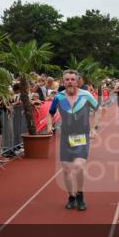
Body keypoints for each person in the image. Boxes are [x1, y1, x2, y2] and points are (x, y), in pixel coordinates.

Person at [49, 69, 99, 212]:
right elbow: (51, 113)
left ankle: (80, 194)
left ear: (77, 81)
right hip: (66, 136)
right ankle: (71, 196)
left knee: (79, 166)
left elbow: (99, 108)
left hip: (82, 135)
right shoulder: (58, 97)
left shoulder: (86, 95)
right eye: (67, 79)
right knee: (66, 169)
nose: (70, 82)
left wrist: (94, 127)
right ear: (63, 81)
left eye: (72, 79)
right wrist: (48, 125)